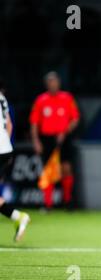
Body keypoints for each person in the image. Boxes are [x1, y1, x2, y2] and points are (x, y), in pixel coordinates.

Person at [29, 71, 80, 211]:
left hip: (64, 138)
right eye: (50, 82)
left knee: (66, 169)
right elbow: (34, 123)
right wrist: (36, 142)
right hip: (47, 139)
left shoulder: (67, 98)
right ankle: (48, 205)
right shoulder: (40, 100)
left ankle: (68, 202)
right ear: (46, 84)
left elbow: (75, 119)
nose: (53, 84)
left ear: (59, 83)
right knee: (48, 171)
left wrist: (65, 132)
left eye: (55, 81)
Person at [0, 78, 30, 241]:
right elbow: (9, 125)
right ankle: (18, 217)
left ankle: (18, 216)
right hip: (5, 149)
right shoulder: (1, 97)